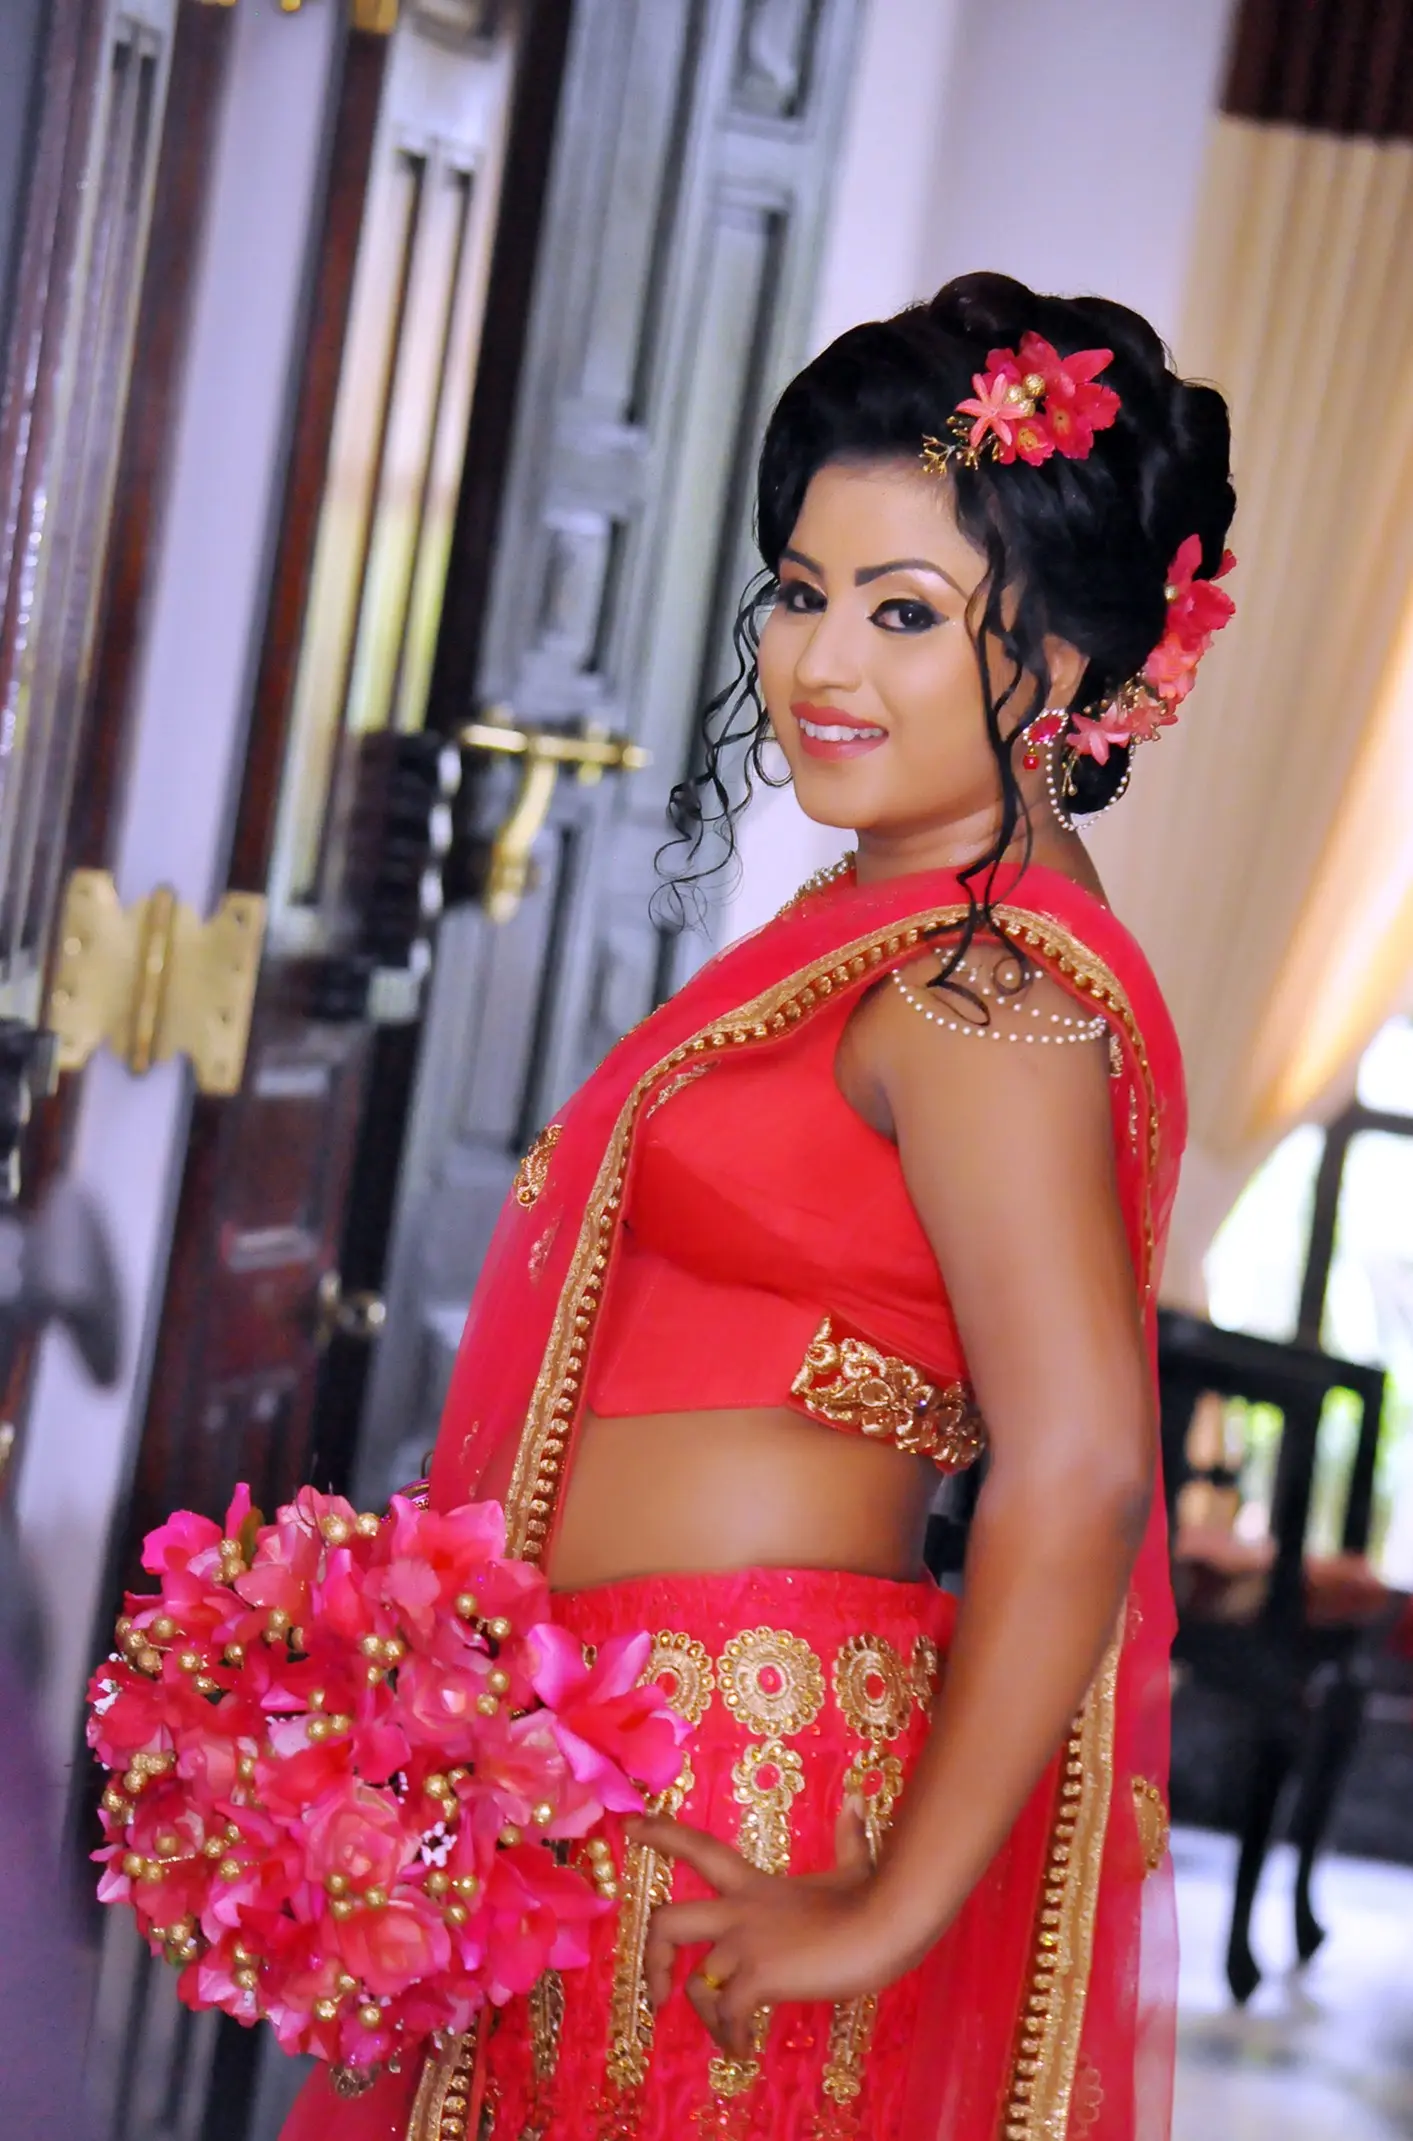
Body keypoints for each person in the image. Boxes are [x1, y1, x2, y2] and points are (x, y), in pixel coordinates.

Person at [283, 271, 1234, 2141]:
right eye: (803, 592)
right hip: (634, 1730)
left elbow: (1081, 1466)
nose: (820, 666)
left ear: (1063, 666)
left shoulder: (987, 984)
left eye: (906, 615)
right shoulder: (888, 924)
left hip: (737, 1750)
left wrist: (896, 1899)